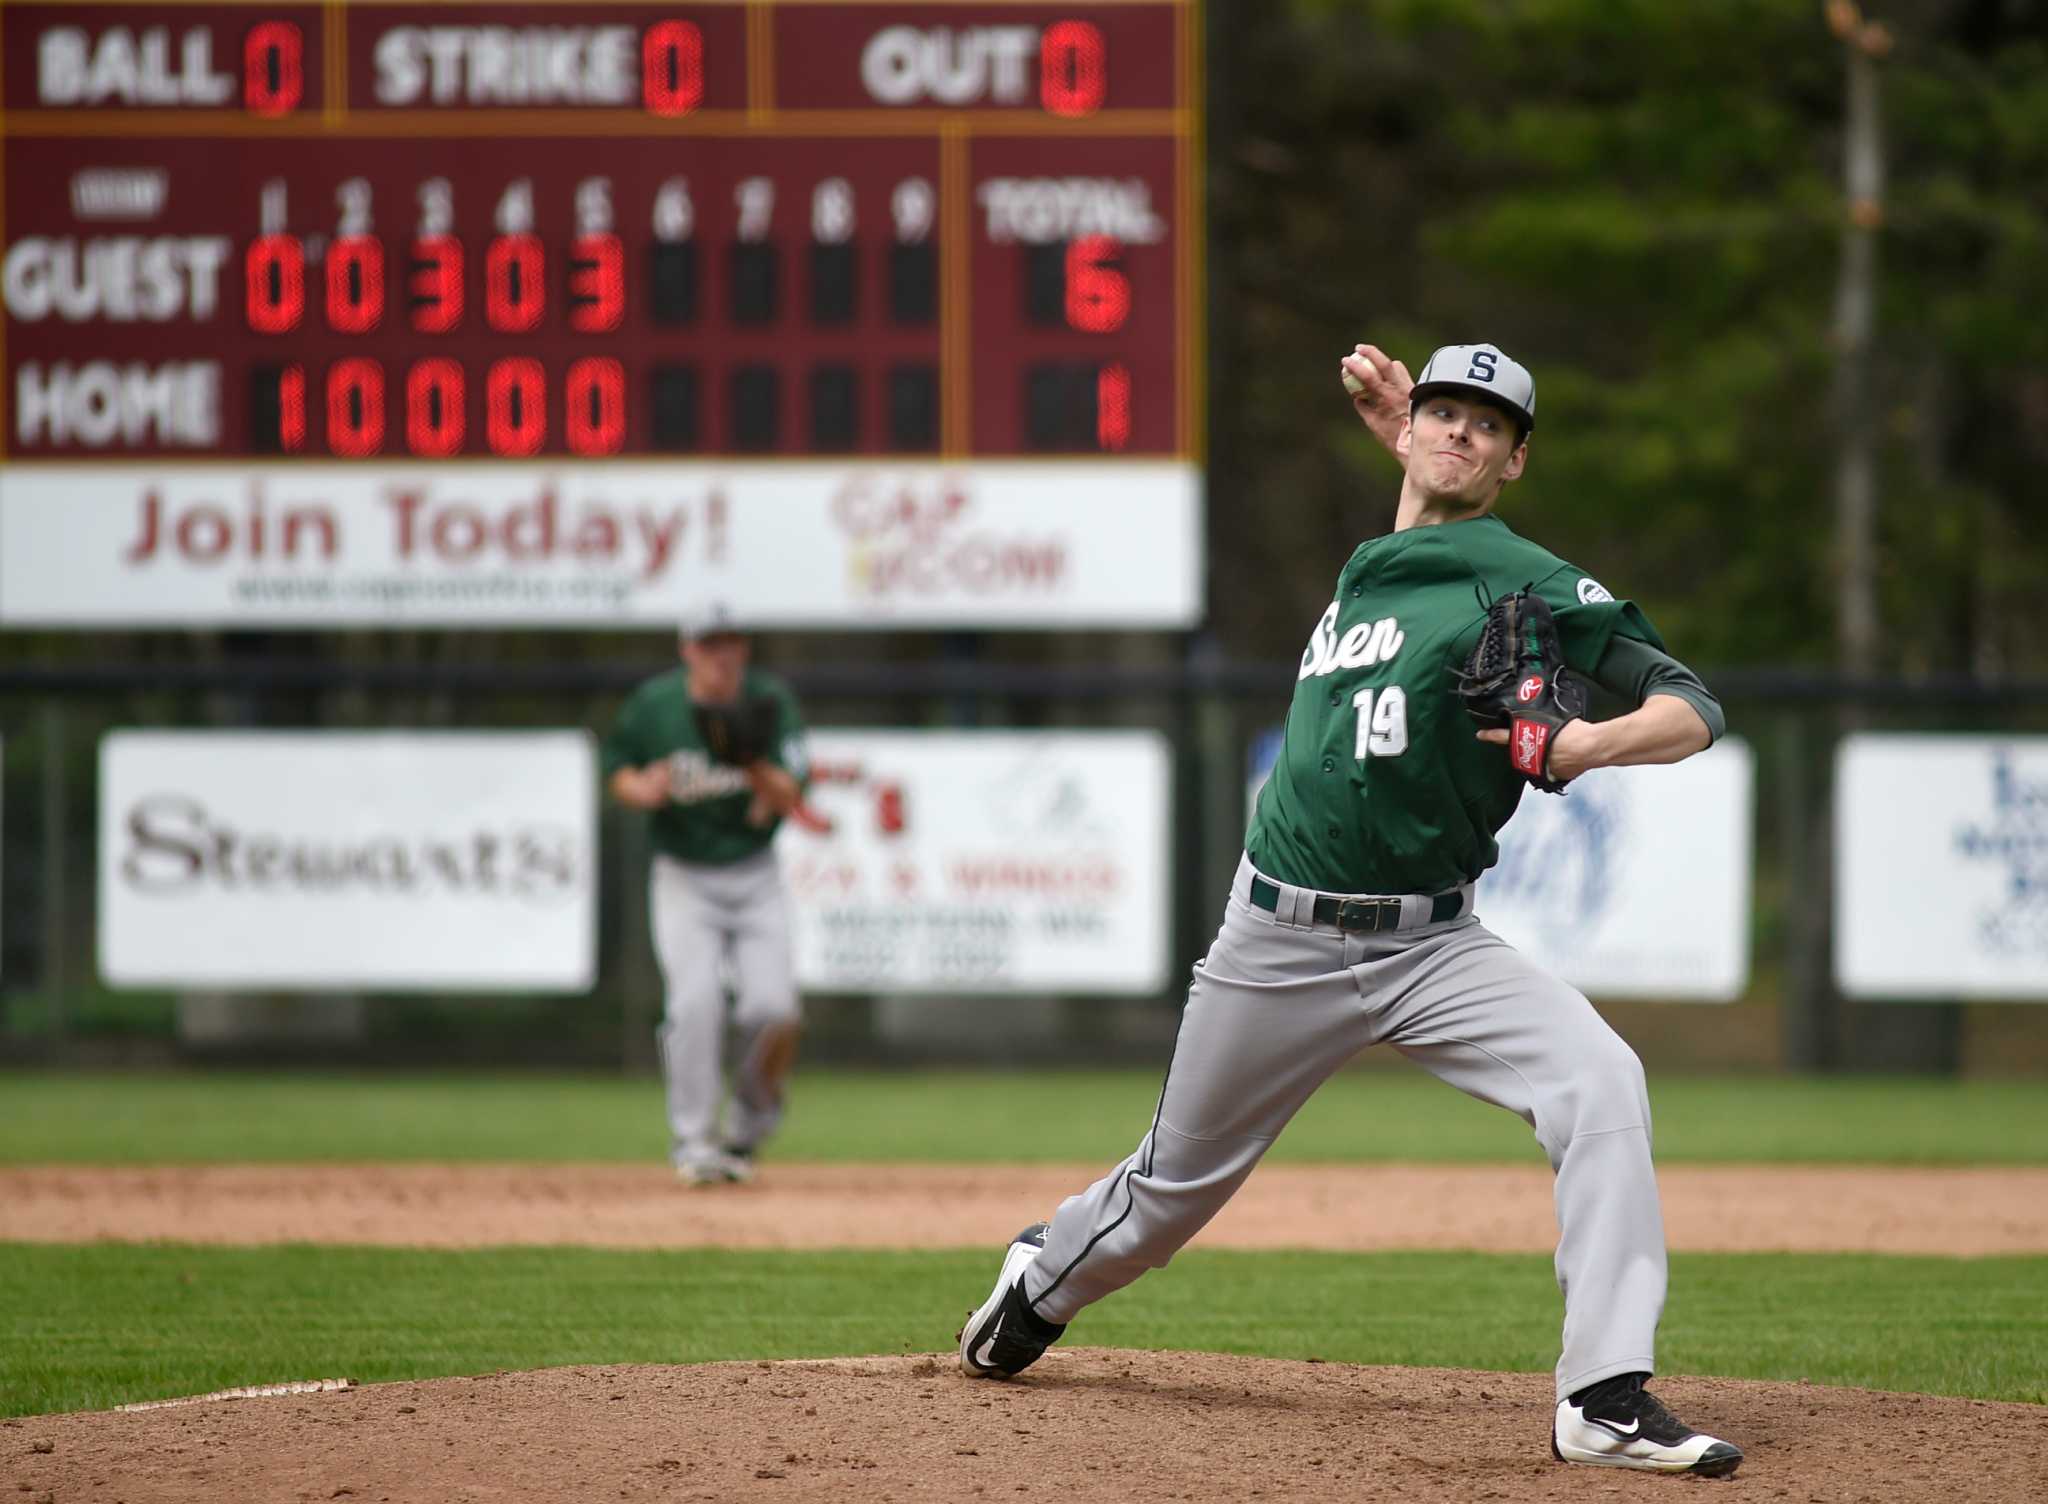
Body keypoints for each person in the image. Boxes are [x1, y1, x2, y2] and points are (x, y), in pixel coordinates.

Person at [956, 343, 1744, 1477]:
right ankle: (1042, 1277)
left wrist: (1586, 742)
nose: (1457, 431)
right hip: (1276, 937)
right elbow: (1428, 506)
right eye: (1441, 412)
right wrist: (1406, 442)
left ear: (1517, 458)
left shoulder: (1523, 580)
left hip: (1434, 944)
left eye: (1487, 423)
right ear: (1410, 429)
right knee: (1169, 1195)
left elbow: (1691, 703)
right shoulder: (1384, 561)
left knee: (1600, 1079)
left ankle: (1603, 1398)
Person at [603, 602, 811, 1186]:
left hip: (754, 870)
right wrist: (639, 788)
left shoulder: (770, 702)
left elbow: (790, 794)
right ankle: (694, 1142)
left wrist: (750, 762)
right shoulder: (657, 706)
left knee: (775, 1011)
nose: (722, 654)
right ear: (687, 650)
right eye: (708, 643)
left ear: (743, 648)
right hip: (684, 874)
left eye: (731, 642)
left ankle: (747, 1128)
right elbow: (618, 766)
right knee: (695, 1004)